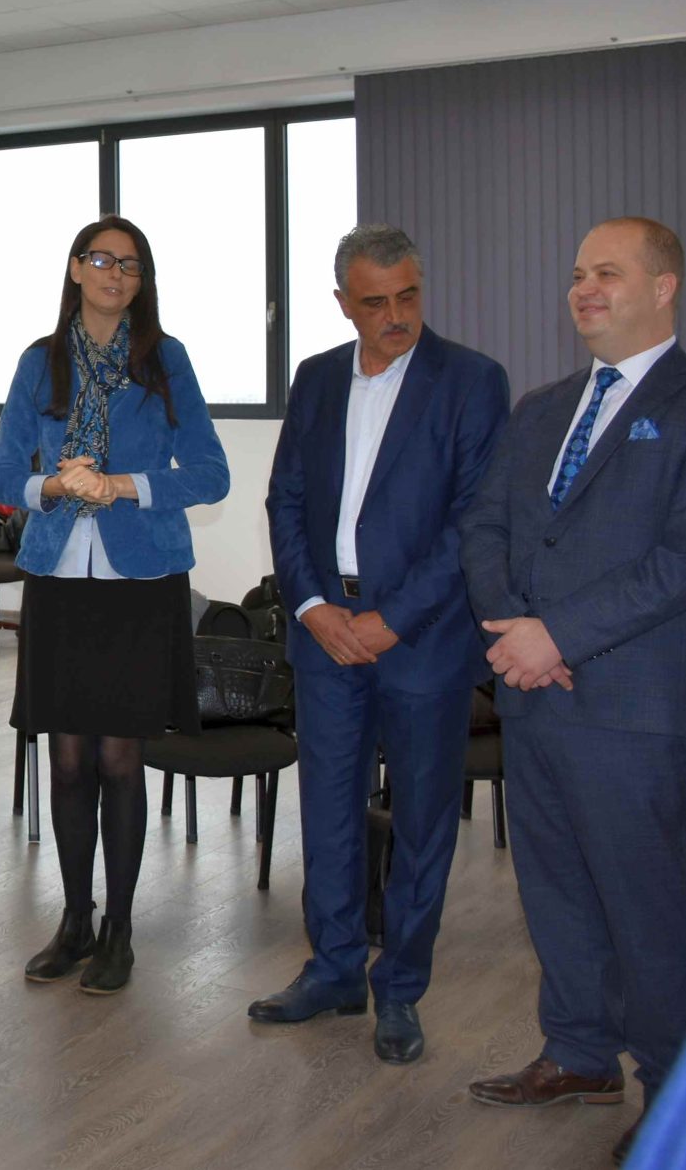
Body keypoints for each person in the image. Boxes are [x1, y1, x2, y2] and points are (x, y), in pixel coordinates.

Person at [460, 217, 686, 1166]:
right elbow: (484, 527)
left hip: (640, 710)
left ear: (664, 287)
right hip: (535, 696)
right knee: (557, 891)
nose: (584, 288)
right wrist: (513, 630)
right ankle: (578, 1053)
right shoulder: (541, 408)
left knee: (651, 914)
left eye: (608, 272)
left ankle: (680, 1099)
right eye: (577, 274)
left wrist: (557, 635)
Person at [256, 224, 509, 1064]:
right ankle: (333, 968)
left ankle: (400, 987)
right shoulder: (318, 377)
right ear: (343, 303)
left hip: (422, 635)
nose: (396, 315)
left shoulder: (471, 380)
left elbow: (473, 519)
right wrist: (312, 605)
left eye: (408, 296)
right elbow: (287, 499)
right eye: (376, 302)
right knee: (329, 808)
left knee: (423, 817)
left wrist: (391, 618)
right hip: (327, 628)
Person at [0, 214, 228, 995]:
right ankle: (75, 920)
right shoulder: (41, 362)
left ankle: (120, 929)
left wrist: (123, 485)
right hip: (58, 575)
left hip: (141, 580)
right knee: (67, 758)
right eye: (102, 259)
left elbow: (211, 472)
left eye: (130, 264)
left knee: (120, 758)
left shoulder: (165, 360)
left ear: (141, 281)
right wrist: (54, 484)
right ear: (75, 268)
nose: (115, 274)